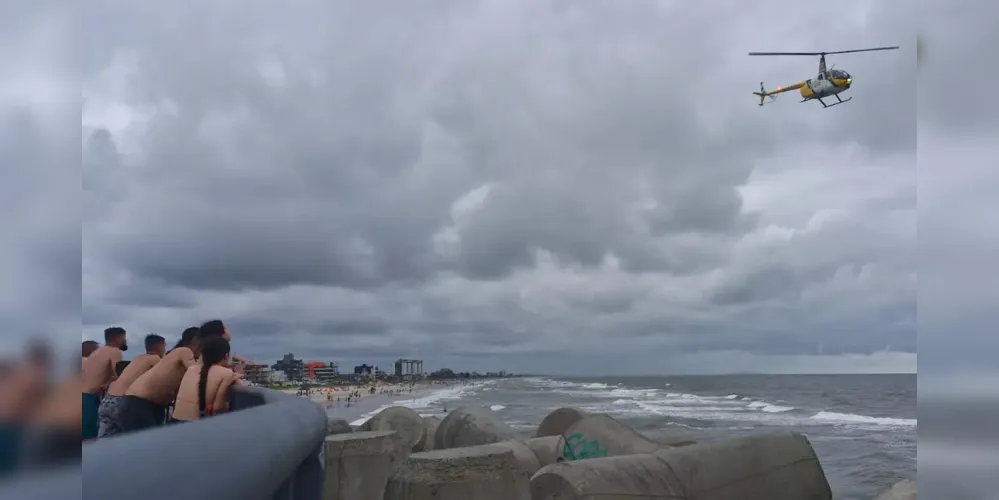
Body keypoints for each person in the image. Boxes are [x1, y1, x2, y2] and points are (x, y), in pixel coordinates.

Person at [120, 329, 200, 433]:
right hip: (139, 403)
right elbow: (195, 373)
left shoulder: (172, 357)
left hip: (151, 405)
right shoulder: (184, 351)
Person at [98, 334, 165, 438]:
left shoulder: (137, 358)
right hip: (122, 402)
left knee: (105, 440)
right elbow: (166, 375)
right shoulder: (155, 359)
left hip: (107, 400)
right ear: (160, 346)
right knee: (134, 439)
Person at [170, 337, 240, 422]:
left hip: (174, 422)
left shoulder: (191, 368)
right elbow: (217, 407)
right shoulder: (226, 373)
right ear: (226, 356)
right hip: (195, 427)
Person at [81, 328, 127, 440]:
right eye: (124, 337)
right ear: (117, 338)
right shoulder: (114, 351)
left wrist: (109, 381)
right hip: (92, 399)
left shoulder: (97, 352)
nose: (125, 340)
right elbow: (121, 375)